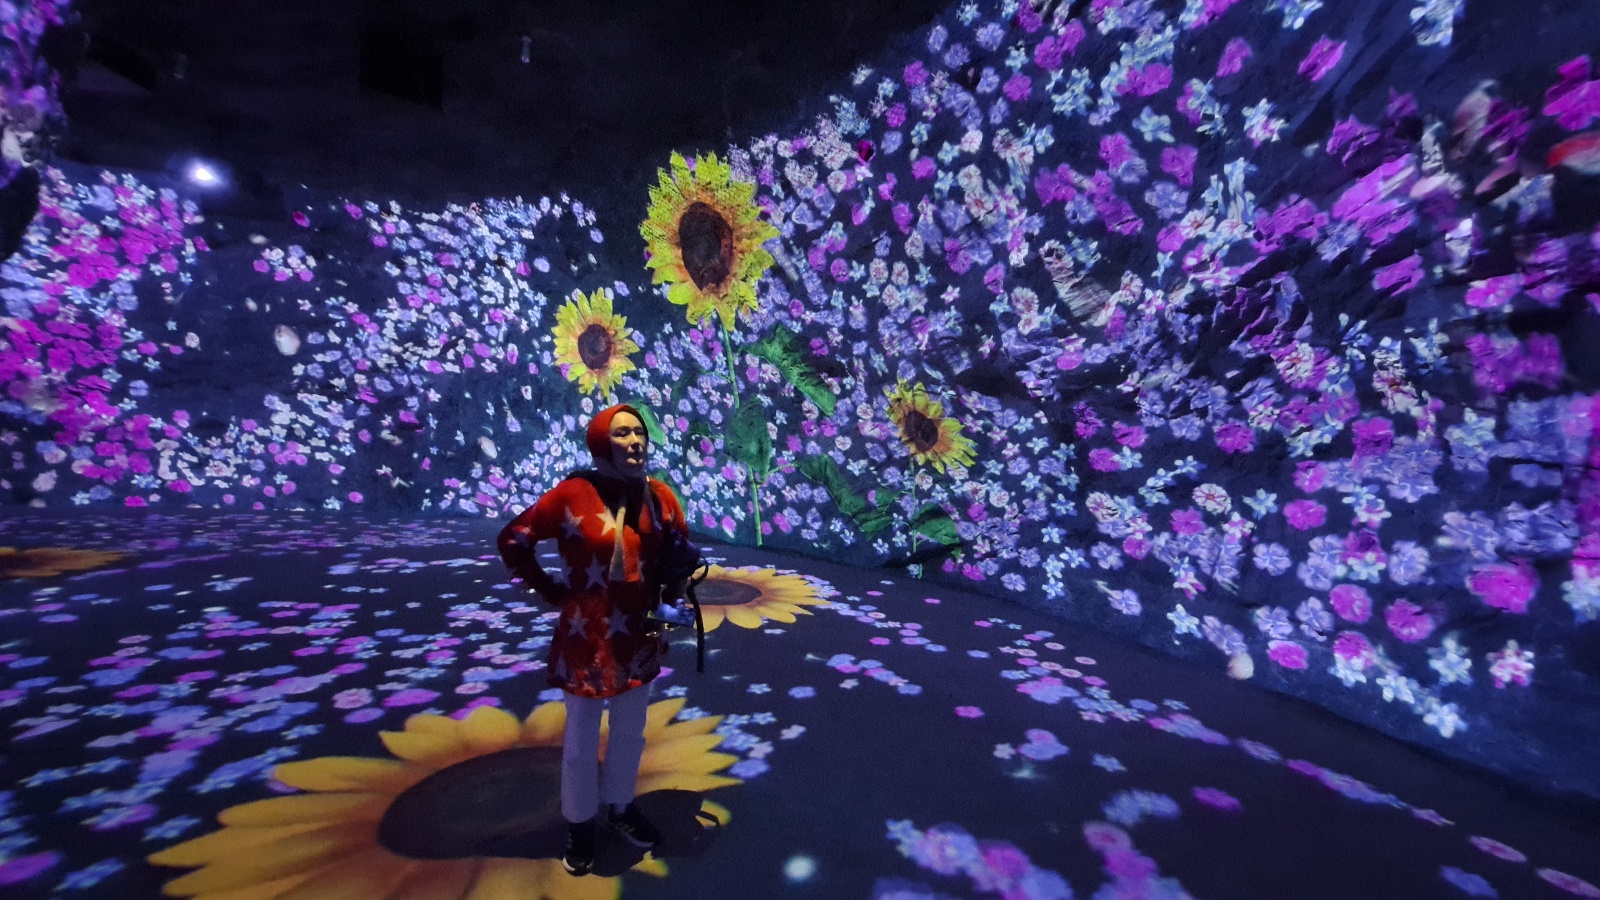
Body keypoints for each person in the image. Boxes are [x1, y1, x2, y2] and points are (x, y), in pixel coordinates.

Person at [497, 403, 698, 876]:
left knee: (630, 731)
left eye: (639, 432)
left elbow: (676, 559)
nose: (635, 441)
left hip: (638, 636)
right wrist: (550, 590)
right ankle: (580, 824)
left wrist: (674, 603)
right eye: (622, 433)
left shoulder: (661, 497)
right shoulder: (573, 494)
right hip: (586, 639)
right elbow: (514, 539)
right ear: (601, 442)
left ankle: (621, 806)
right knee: (581, 740)